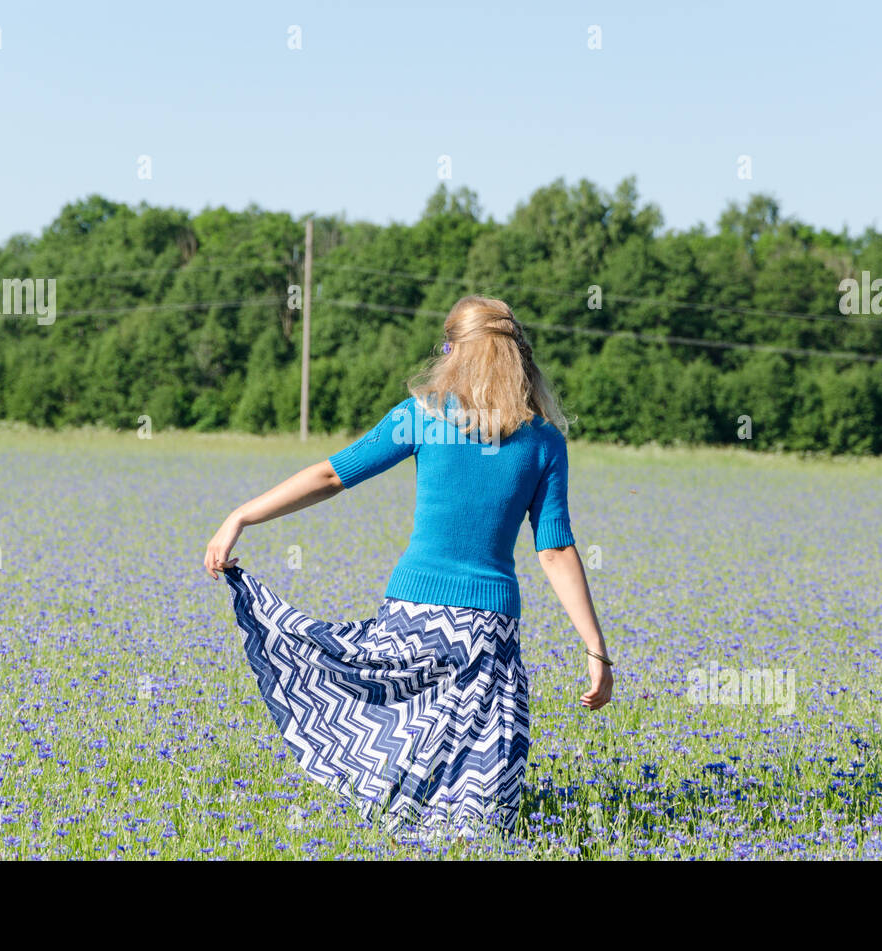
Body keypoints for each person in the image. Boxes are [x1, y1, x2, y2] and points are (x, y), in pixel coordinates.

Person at [203, 294, 612, 841]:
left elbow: (331, 475)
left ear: (452, 351)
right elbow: (554, 549)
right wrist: (595, 650)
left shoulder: (422, 416)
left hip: (411, 617)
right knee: (479, 786)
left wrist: (241, 516)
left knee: (397, 745)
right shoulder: (543, 441)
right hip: (486, 633)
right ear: (518, 356)